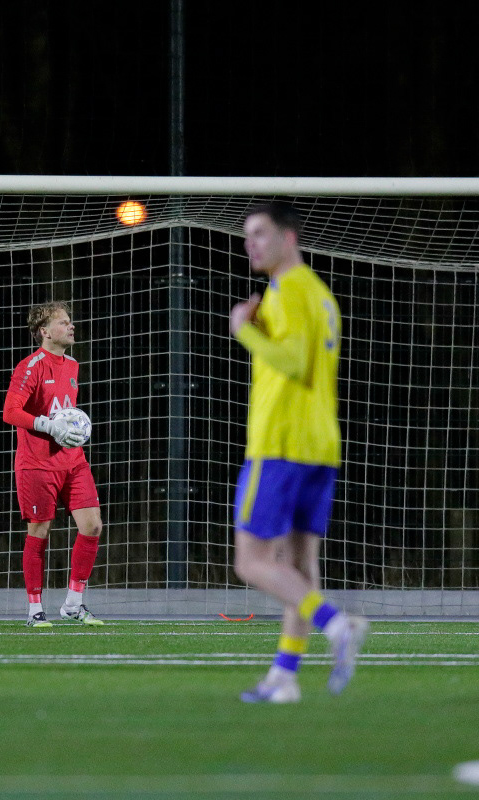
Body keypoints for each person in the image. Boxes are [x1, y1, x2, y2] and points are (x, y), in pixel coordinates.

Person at [230, 202, 368, 703]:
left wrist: (244, 328)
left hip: (282, 442)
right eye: (248, 236)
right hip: (320, 442)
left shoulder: (286, 289)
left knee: (252, 562)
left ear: (289, 238)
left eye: (261, 233)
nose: (252, 244)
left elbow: (293, 362)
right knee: (299, 566)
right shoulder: (321, 294)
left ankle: (336, 624)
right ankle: (284, 675)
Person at [2, 302, 105, 628]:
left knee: (93, 526)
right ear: (45, 331)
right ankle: (34, 609)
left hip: (73, 462)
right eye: (63, 323)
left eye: (70, 321)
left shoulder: (72, 366)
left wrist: (72, 429)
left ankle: (73, 604)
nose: (71, 326)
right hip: (37, 463)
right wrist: (47, 426)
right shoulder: (30, 366)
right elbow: (10, 412)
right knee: (40, 531)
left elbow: (65, 411)